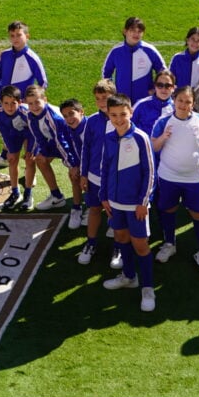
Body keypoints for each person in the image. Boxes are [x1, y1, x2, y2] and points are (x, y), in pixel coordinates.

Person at [99, 94, 157, 312]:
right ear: (108, 115)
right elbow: (105, 167)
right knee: (121, 237)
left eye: (123, 114)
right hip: (114, 203)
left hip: (136, 206)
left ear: (130, 113)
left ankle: (148, 288)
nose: (118, 119)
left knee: (141, 245)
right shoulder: (109, 137)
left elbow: (150, 172)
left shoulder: (141, 138)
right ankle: (129, 277)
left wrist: (143, 202)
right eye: (113, 115)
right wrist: (104, 196)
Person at [150, 86, 199, 269]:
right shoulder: (164, 122)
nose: (184, 105)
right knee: (168, 209)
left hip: (194, 178)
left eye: (188, 102)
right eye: (180, 100)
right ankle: (169, 244)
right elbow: (154, 147)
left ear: (193, 104)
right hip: (168, 177)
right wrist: (163, 137)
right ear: (174, 100)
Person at [0, 20, 47, 168]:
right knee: (7, 130)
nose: (15, 38)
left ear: (27, 36)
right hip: (6, 103)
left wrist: (30, 101)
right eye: (12, 35)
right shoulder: (5, 55)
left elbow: (43, 82)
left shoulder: (32, 58)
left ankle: (29, 166)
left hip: (23, 106)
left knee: (28, 134)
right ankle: (4, 157)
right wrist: (0, 94)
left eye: (19, 35)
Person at [77, 79, 121, 267]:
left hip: (116, 179)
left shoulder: (121, 119)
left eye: (105, 97)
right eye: (98, 98)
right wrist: (84, 173)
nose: (102, 101)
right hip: (94, 176)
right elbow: (85, 148)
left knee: (117, 214)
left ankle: (118, 248)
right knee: (94, 210)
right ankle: (91, 243)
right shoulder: (92, 121)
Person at [24, 86, 80, 217]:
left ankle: (79, 207)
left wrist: (72, 165)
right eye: (30, 103)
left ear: (45, 100)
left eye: (37, 102)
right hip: (55, 142)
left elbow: (63, 143)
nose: (34, 106)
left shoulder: (53, 117)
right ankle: (56, 196)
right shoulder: (30, 115)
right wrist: (42, 151)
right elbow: (38, 136)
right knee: (39, 159)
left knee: (74, 175)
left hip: (72, 144)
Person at [0, 86, 36, 211]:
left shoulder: (27, 112)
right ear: (0, 102)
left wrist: (31, 150)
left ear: (20, 102)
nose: (9, 107)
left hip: (30, 134)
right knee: (12, 159)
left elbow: (35, 131)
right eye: (6, 103)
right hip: (13, 133)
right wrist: (9, 149)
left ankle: (28, 193)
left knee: (30, 160)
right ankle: (15, 192)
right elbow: (3, 131)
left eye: (13, 103)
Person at [101, 17, 166, 102]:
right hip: (121, 101)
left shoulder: (150, 51)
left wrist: (155, 89)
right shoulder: (116, 51)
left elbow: (164, 73)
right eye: (133, 30)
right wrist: (111, 91)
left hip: (145, 100)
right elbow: (106, 73)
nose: (136, 34)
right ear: (125, 31)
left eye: (139, 31)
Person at [60, 98, 87, 230]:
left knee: (90, 180)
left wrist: (84, 170)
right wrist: (73, 165)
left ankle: (93, 207)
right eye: (65, 116)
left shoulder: (90, 127)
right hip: (80, 163)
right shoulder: (66, 128)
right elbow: (67, 148)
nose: (69, 118)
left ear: (81, 112)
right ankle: (77, 208)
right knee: (73, 175)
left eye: (71, 114)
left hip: (96, 165)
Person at [132, 70, 176, 136]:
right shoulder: (141, 104)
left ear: (173, 88)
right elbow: (127, 126)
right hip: (143, 145)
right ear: (155, 86)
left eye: (168, 86)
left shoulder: (176, 108)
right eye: (160, 85)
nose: (163, 89)